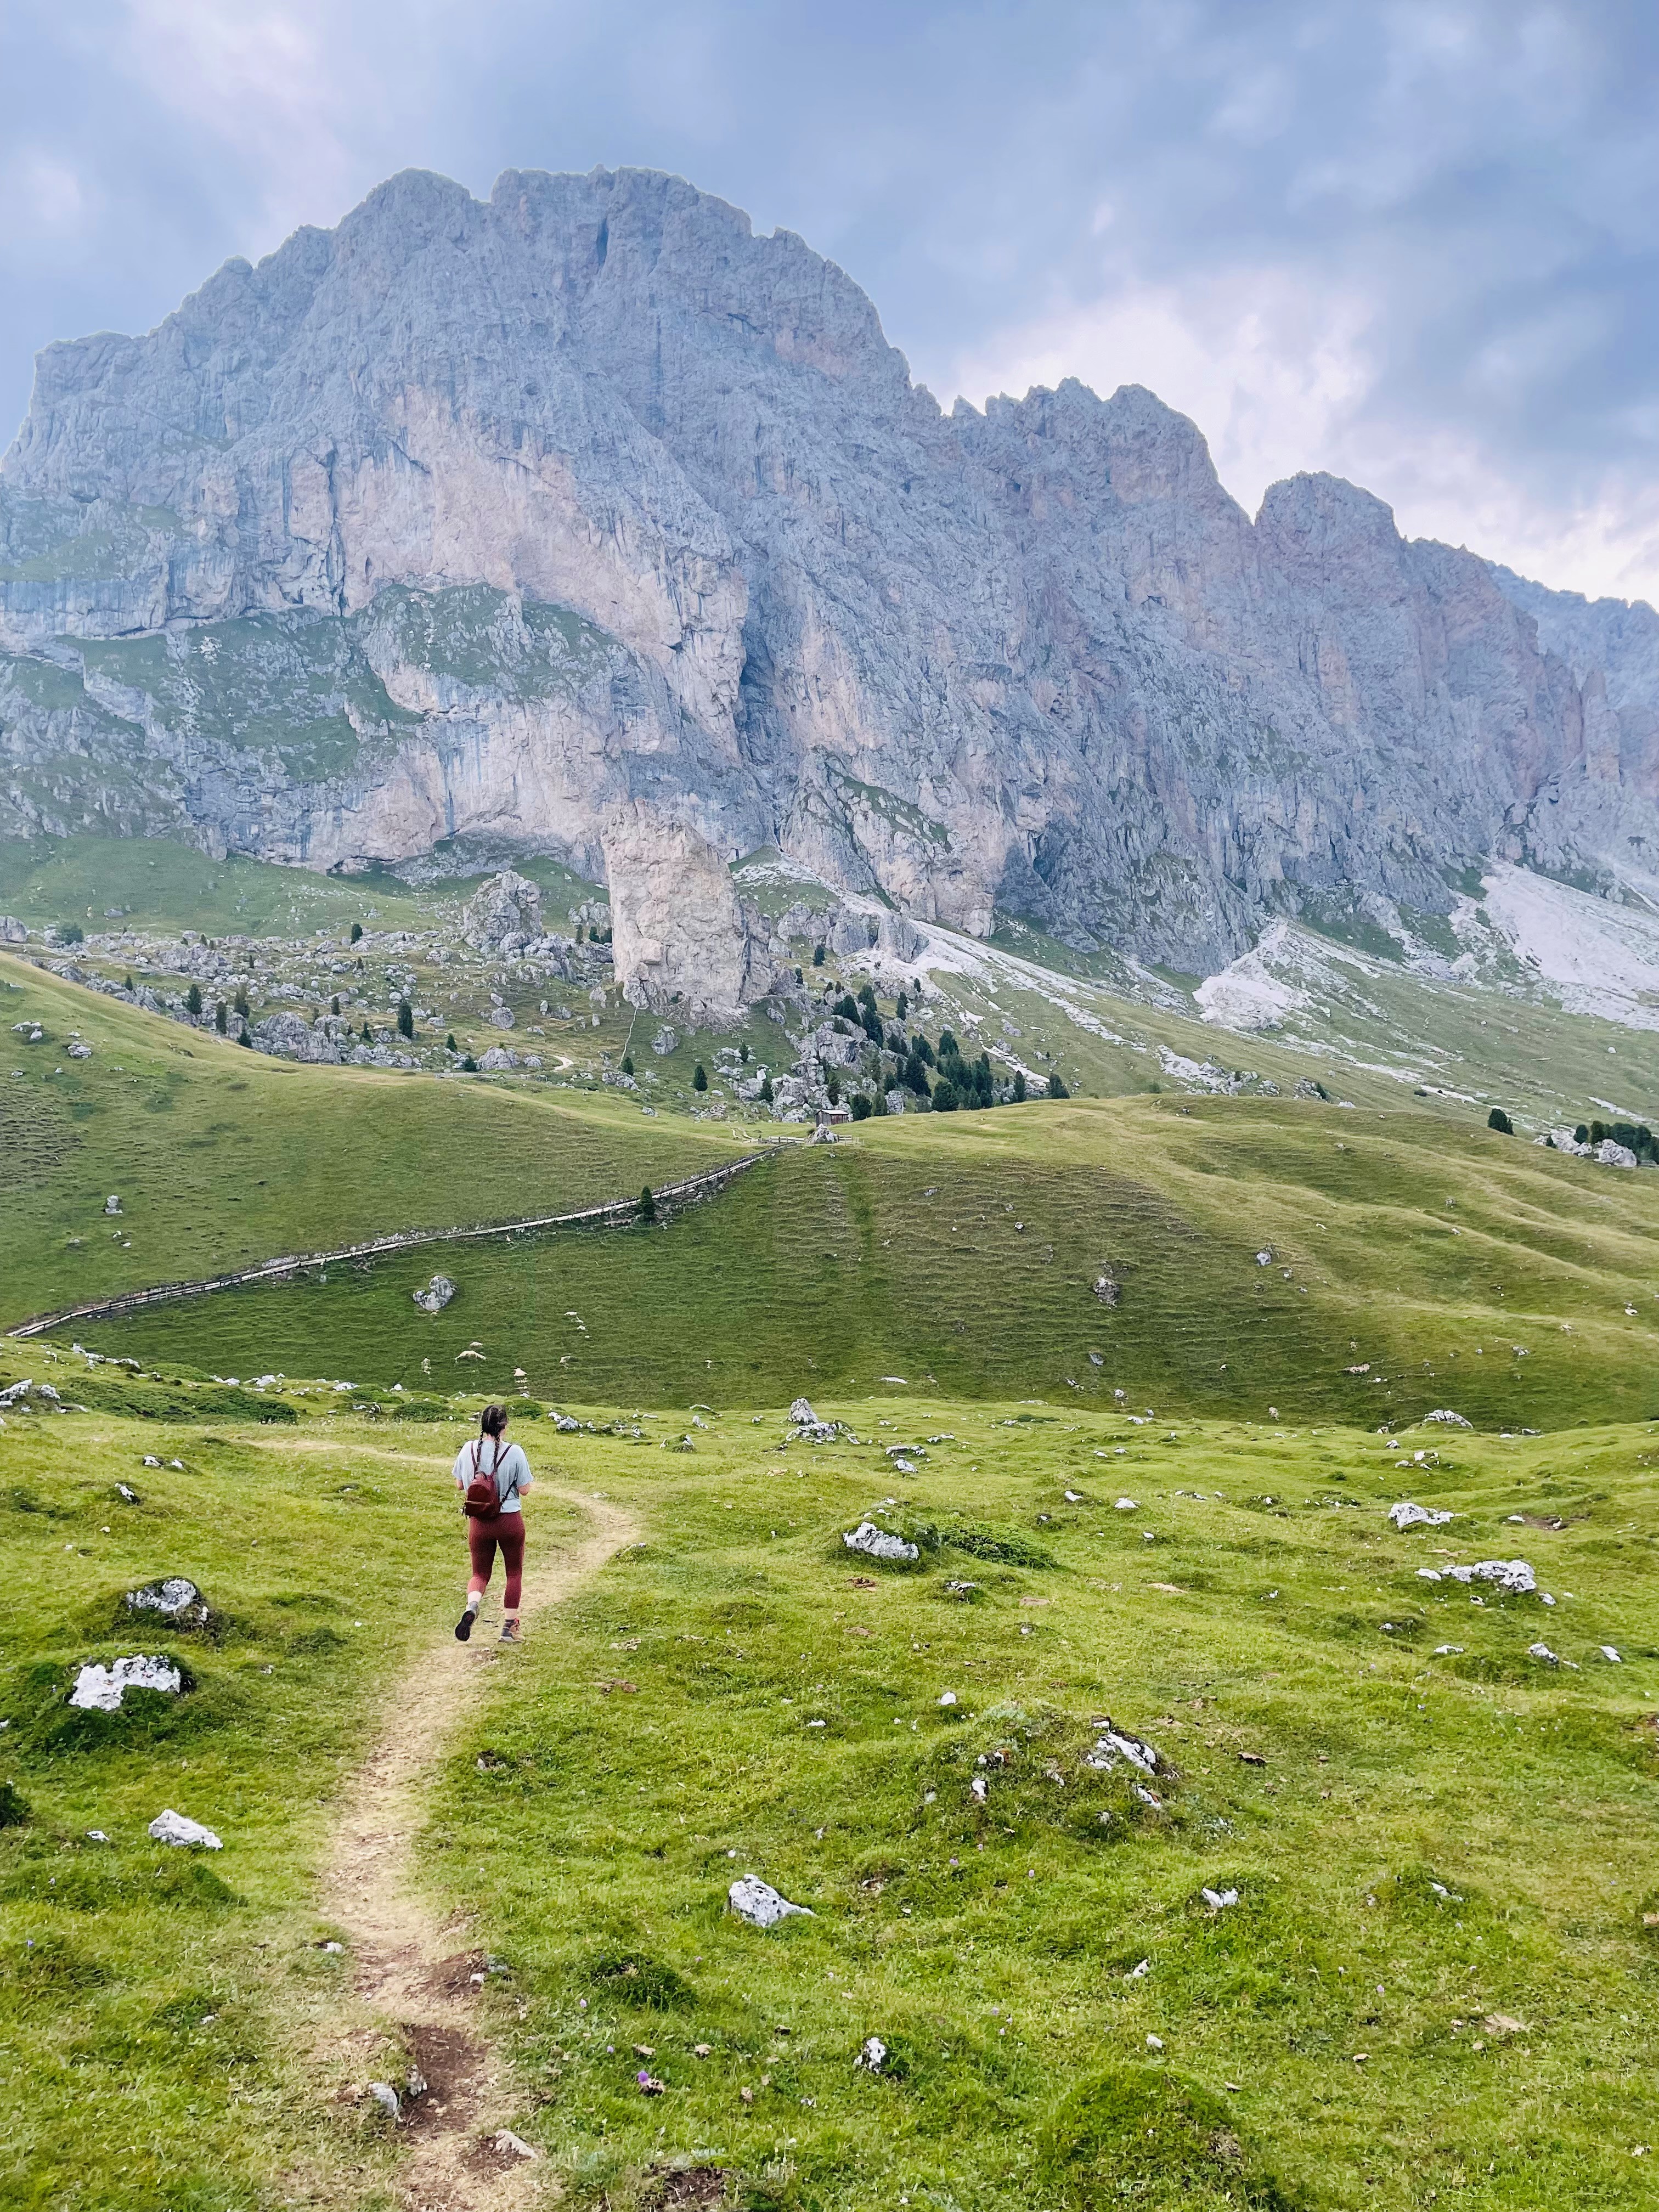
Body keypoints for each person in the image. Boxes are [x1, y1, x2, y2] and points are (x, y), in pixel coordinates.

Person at [453, 1403, 534, 1643]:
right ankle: (509, 1629)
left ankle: (473, 1606)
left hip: (479, 1523)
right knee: (514, 1573)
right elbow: (525, 1490)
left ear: (482, 1425)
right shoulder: (515, 1452)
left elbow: (459, 1485)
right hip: (509, 1521)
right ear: (504, 1427)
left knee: (479, 1573)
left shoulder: (468, 1449)